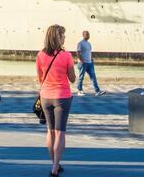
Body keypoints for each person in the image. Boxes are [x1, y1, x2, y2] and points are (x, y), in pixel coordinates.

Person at [36, 24, 76, 177]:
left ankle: (55, 163)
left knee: (50, 131)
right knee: (60, 133)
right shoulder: (66, 56)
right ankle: (54, 169)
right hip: (62, 96)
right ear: (58, 37)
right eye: (63, 35)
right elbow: (72, 79)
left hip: (45, 96)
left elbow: (40, 78)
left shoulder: (40, 55)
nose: (65, 37)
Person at [76, 30, 105, 96]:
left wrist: (91, 59)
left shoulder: (89, 43)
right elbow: (78, 52)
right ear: (83, 35)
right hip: (83, 63)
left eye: (88, 34)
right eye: (87, 34)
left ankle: (97, 91)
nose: (88, 35)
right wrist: (82, 60)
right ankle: (79, 91)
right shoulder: (80, 43)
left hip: (89, 63)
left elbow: (89, 52)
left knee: (93, 77)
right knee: (81, 77)